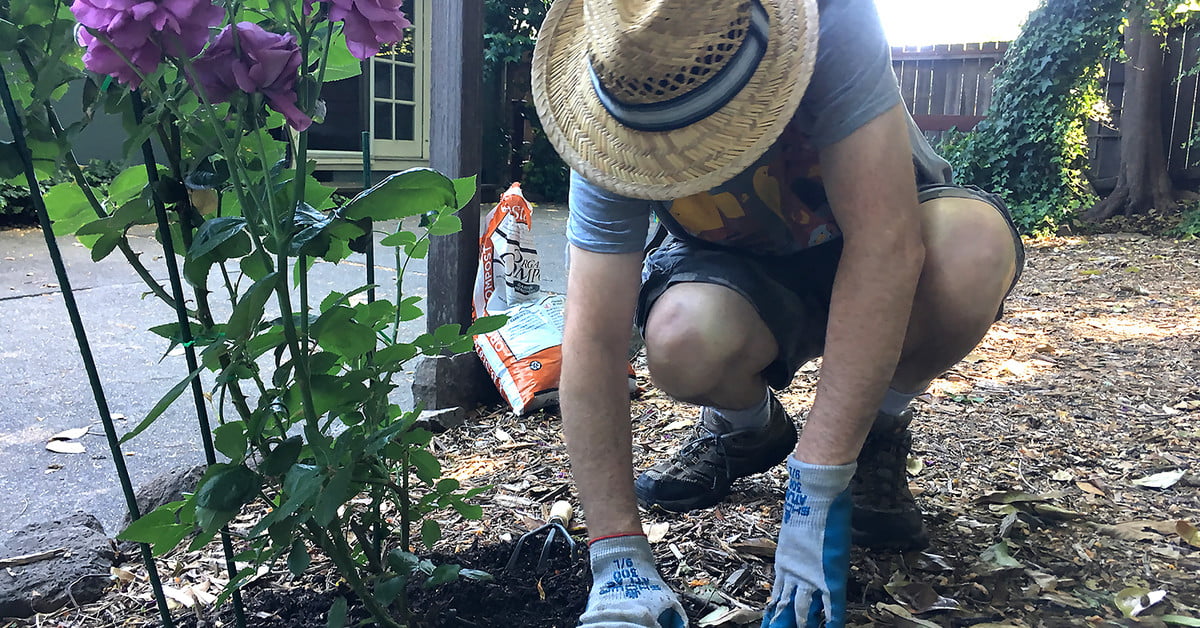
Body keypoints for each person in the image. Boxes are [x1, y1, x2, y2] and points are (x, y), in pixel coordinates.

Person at [529, 0, 1024, 625]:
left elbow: (885, 245)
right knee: (682, 338)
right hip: (741, 271)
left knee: (971, 252)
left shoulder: (835, 21)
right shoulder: (610, 98)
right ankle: (746, 428)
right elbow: (593, 336)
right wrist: (616, 556)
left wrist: (816, 485)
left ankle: (874, 429)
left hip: (881, 236)